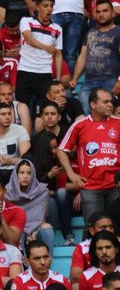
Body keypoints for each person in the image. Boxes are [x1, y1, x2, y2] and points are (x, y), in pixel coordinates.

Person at [57, 89, 120, 223]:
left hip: (116, 187)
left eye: (111, 102)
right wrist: (71, 174)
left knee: (117, 228)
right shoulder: (80, 125)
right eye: (105, 102)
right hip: (91, 187)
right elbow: (61, 150)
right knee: (92, 228)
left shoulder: (118, 123)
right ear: (93, 105)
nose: (110, 105)